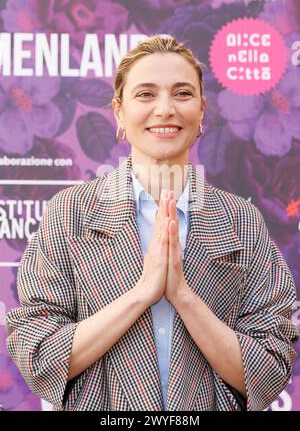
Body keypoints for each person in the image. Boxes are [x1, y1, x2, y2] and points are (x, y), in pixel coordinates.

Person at [5, 35, 299, 411]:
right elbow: (39, 354)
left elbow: (270, 367)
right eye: (145, 94)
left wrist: (183, 297)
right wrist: (142, 293)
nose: (165, 109)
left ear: (202, 110)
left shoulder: (241, 221)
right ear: (118, 112)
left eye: (182, 94)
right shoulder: (70, 213)